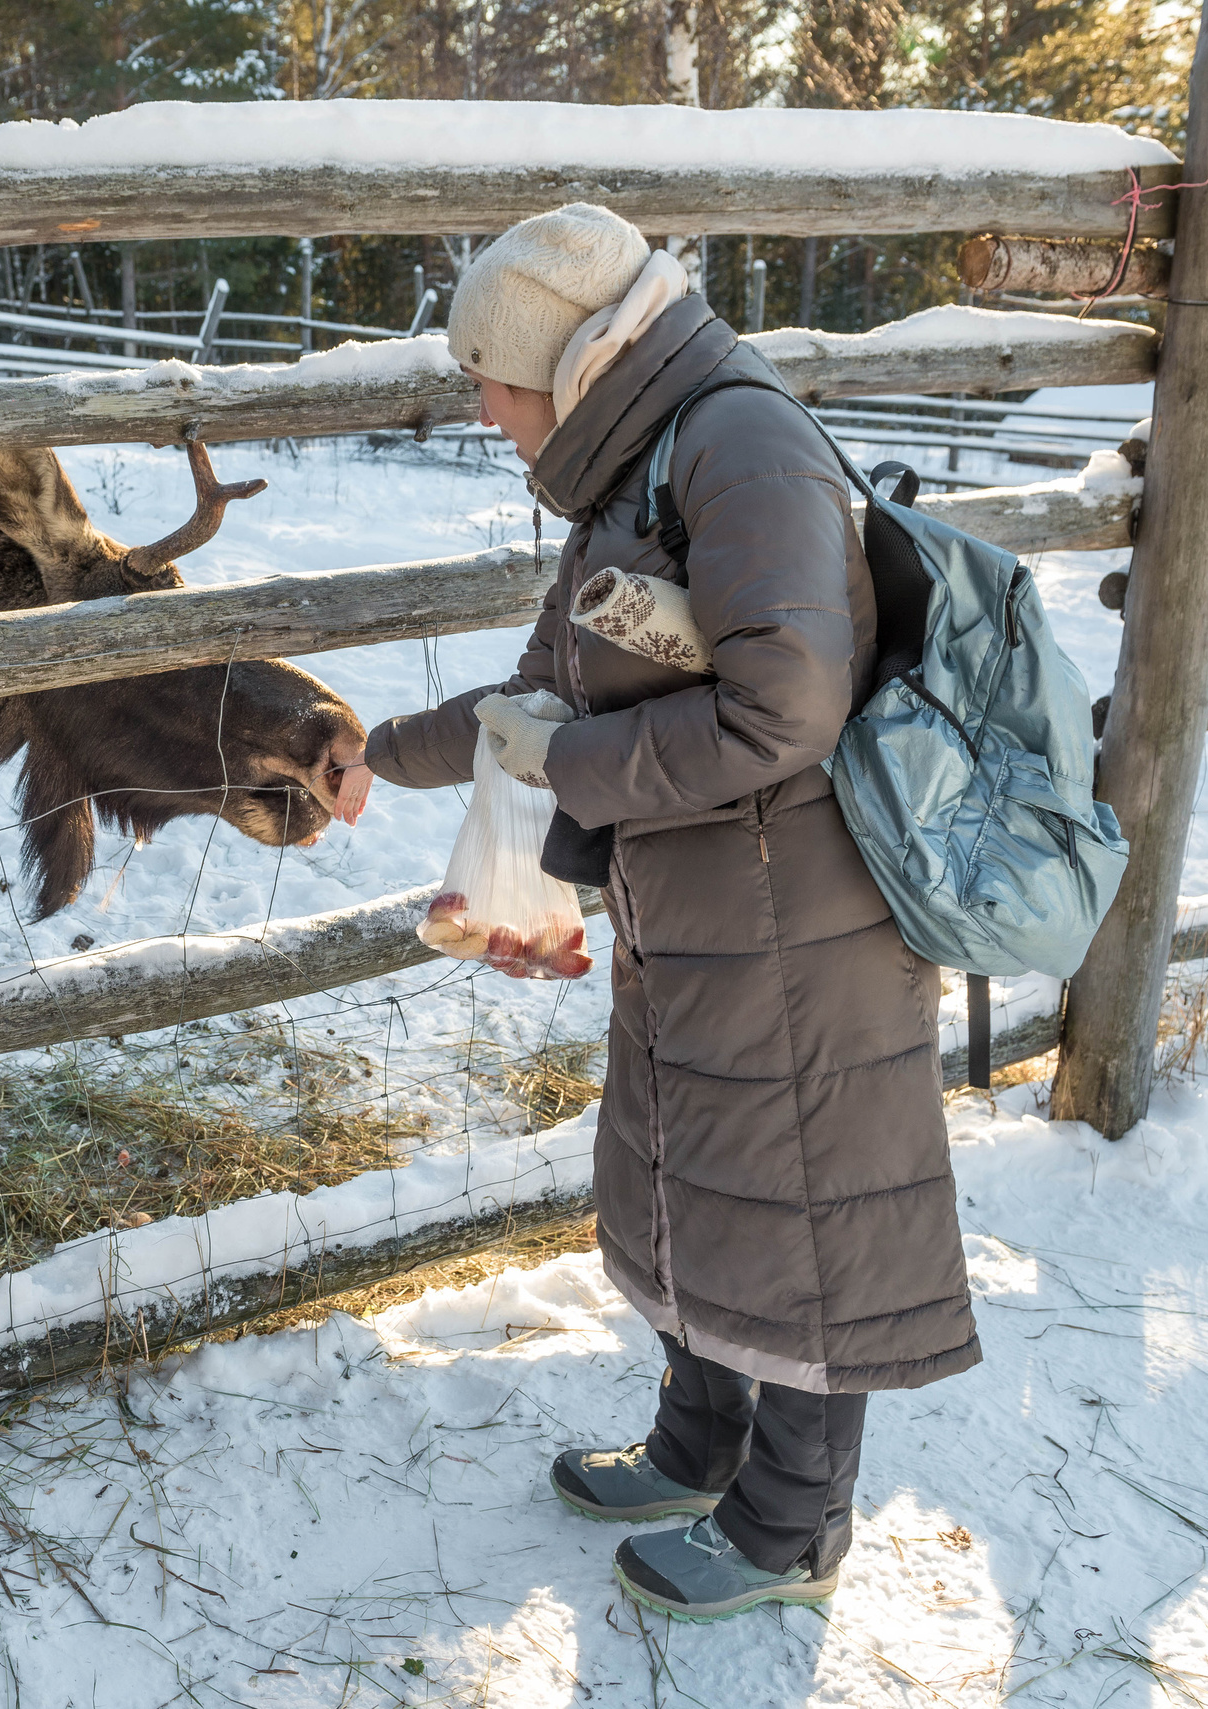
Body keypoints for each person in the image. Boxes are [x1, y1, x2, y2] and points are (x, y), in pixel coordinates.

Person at [335, 204, 980, 1621]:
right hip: (701, 912)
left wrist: (571, 771)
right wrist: (375, 749)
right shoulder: (635, 465)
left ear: (558, 363)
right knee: (696, 1187)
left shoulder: (736, 447)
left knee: (797, 1213)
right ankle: (700, 1447)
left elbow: (785, 707)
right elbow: (543, 698)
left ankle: (791, 1527)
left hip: (800, 921)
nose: (484, 413)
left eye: (487, 380)